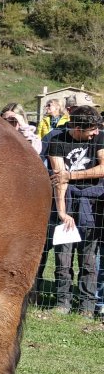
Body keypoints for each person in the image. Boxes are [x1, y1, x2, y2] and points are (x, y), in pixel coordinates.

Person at [47, 105, 104, 316]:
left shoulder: (101, 138)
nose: (96, 133)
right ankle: (63, 302)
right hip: (66, 202)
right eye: (91, 129)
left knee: (89, 260)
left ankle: (87, 307)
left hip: (93, 204)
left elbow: (103, 168)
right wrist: (62, 212)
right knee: (63, 258)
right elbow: (57, 179)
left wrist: (70, 175)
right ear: (78, 127)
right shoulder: (57, 140)